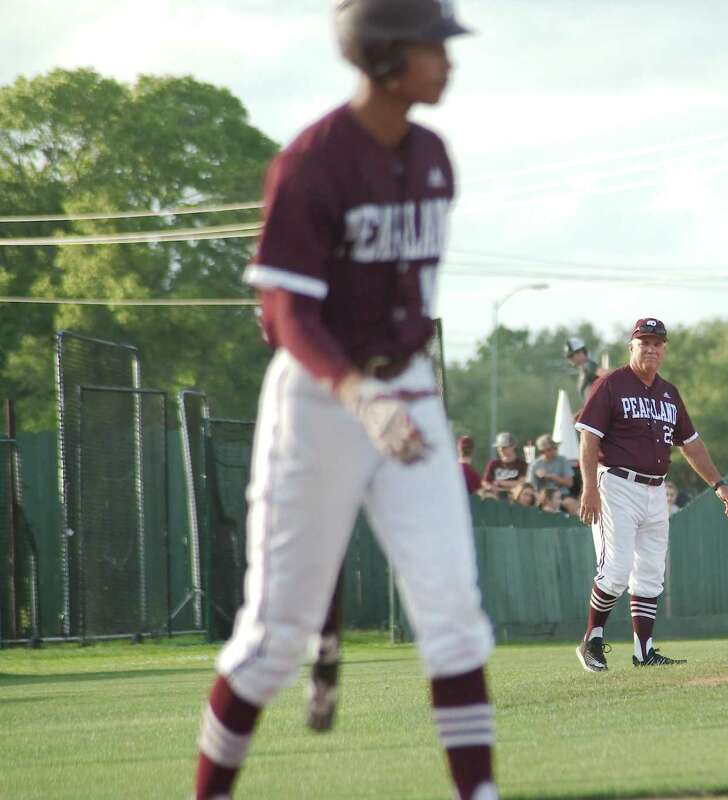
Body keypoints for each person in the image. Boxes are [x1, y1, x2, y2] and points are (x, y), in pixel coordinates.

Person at [192, 3, 498, 799]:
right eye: (435, 47)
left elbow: (410, 298)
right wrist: (358, 393)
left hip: (409, 391)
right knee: (272, 640)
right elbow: (285, 314)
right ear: (386, 56)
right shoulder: (312, 162)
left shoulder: (432, 155)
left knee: (455, 615)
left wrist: (403, 389)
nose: (449, 62)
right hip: (323, 399)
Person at [574, 317, 728, 671]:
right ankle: (592, 639)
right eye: (643, 342)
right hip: (616, 484)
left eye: (657, 343)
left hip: (655, 489)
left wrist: (718, 483)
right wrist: (589, 487)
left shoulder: (669, 392)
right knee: (616, 570)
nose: (650, 348)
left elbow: (691, 445)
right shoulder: (611, 385)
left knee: (649, 572)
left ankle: (643, 651)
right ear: (631, 347)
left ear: (664, 350)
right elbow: (589, 438)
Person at [527, 433, 578, 515]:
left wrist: (551, 476)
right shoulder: (535, 464)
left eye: (555, 447)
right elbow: (530, 486)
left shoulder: (562, 460)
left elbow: (570, 483)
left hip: (562, 494)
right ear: (542, 451)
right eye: (551, 448)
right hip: (542, 495)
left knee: (570, 503)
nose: (555, 450)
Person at [564, 337, 605, 404]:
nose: (569, 360)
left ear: (580, 352)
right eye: (568, 357)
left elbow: (608, 376)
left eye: (571, 356)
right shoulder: (583, 370)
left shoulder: (589, 365)